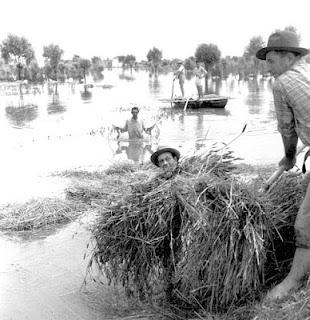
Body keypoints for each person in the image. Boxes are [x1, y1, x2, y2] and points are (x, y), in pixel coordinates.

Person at [256, 30, 310, 300]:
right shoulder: (308, 72)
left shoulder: (282, 83)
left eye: (272, 60)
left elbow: (287, 130)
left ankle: (292, 283)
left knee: (305, 223)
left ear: (289, 57)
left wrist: (289, 156)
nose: (269, 67)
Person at [150, 146, 182, 301]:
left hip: (186, 228)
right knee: (167, 262)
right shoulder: (157, 184)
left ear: (175, 160)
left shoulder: (187, 176)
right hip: (166, 231)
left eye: (167, 159)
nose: (165, 163)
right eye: (161, 161)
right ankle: (170, 294)